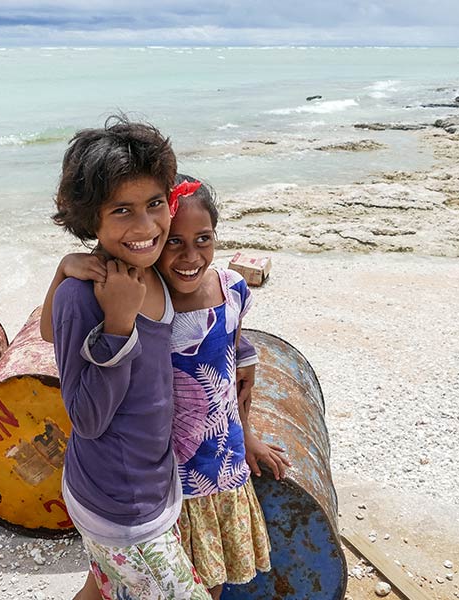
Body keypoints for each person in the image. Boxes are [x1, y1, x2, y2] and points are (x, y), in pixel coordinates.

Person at [44, 174, 291, 599]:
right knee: (115, 585)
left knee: (205, 576)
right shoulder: (142, 296)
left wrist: (248, 434)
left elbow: (231, 368)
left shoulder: (223, 291)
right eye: (175, 242)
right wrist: (66, 268)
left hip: (216, 466)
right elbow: (67, 355)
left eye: (204, 239)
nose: (189, 256)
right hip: (158, 481)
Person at [49, 116, 213, 599]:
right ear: (89, 219)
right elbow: (86, 417)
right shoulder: (85, 297)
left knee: (102, 592)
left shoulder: (154, 271)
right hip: (121, 504)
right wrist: (118, 326)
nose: (146, 227)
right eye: (122, 210)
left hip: (152, 479)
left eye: (155, 204)